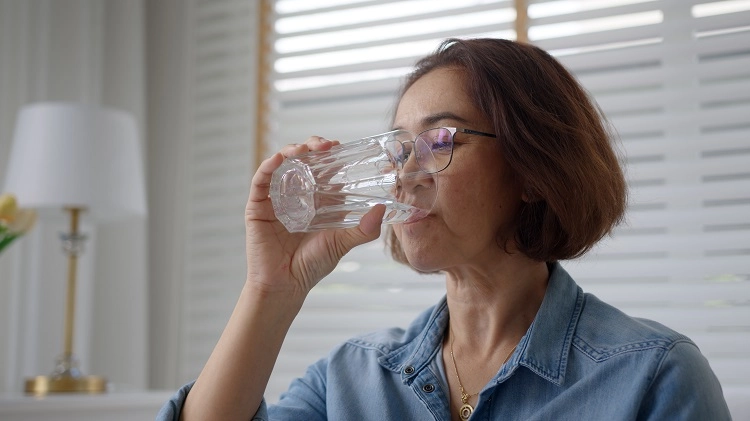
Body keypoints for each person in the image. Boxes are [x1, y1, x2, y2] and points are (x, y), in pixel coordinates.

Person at [158, 38, 731, 420]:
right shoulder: (350, 379)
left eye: (440, 141)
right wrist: (272, 288)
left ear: (533, 169)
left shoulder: (653, 375)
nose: (404, 175)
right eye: (398, 147)